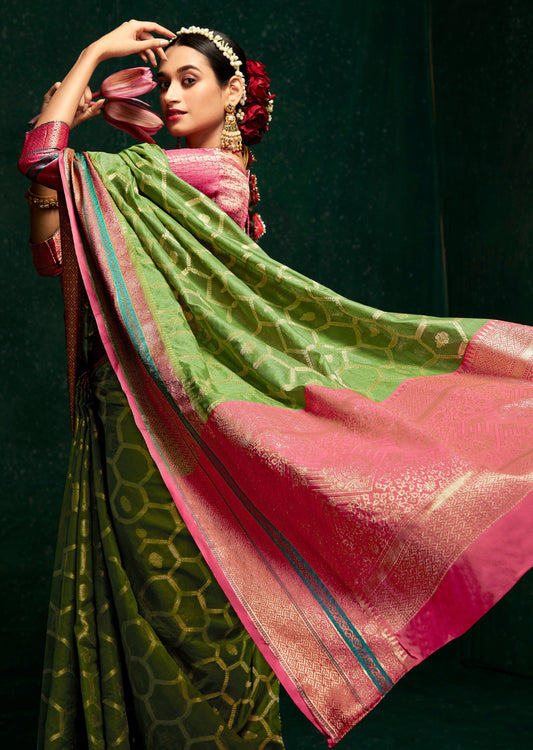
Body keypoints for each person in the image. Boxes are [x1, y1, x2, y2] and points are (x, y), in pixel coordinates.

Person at [19, 20, 533, 750]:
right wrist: (62, 168)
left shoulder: (206, 177)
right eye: (161, 81)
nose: (168, 94)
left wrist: (89, 62)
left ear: (232, 95)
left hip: (157, 421)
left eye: (189, 80)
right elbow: (54, 256)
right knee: (149, 603)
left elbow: (43, 155)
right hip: (122, 411)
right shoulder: (154, 183)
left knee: (180, 609)